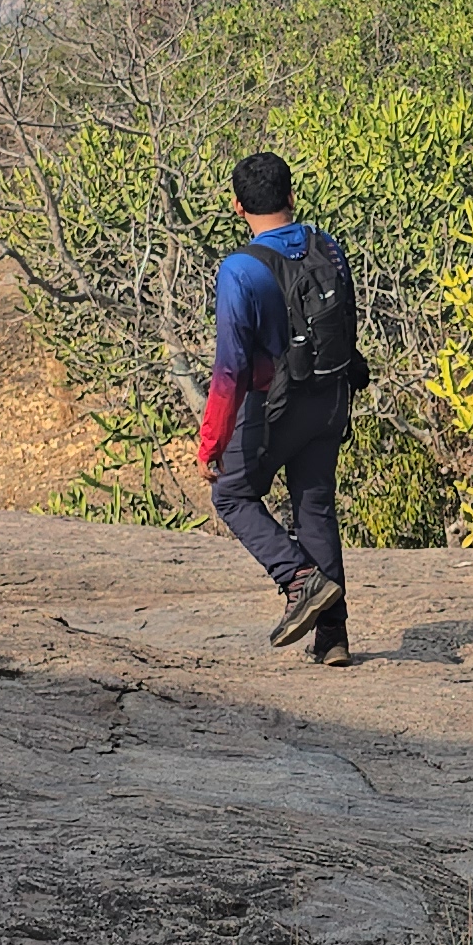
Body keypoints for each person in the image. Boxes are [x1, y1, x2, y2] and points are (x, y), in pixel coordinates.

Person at [195, 151, 364, 664]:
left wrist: (212, 444)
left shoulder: (241, 270)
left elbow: (231, 369)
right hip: (331, 398)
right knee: (314, 505)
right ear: (291, 196)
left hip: (275, 406)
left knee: (231, 494)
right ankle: (332, 637)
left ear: (237, 207)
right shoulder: (327, 246)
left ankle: (298, 580)